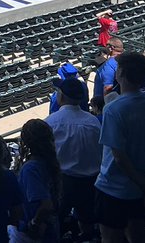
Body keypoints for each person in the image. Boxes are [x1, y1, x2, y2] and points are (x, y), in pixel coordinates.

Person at [94, 51, 145, 243]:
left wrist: (144, 184)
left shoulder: (113, 109)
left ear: (121, 73)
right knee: (138, 237)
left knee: (110, 239)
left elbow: (118, 156)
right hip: (142, 188)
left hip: (112, 189)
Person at [45, 77, 101, 241]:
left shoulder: (51, 122)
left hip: (64, 182)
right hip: (91, 181)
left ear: (61, 96)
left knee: (57, 223)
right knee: (88, 224)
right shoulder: (93, 121)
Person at [16, 119, 61, 243]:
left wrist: (34, 223)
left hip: (38, 233)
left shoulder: (30, 168)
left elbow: (46, 204)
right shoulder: (48, 160)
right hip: (51, 227)